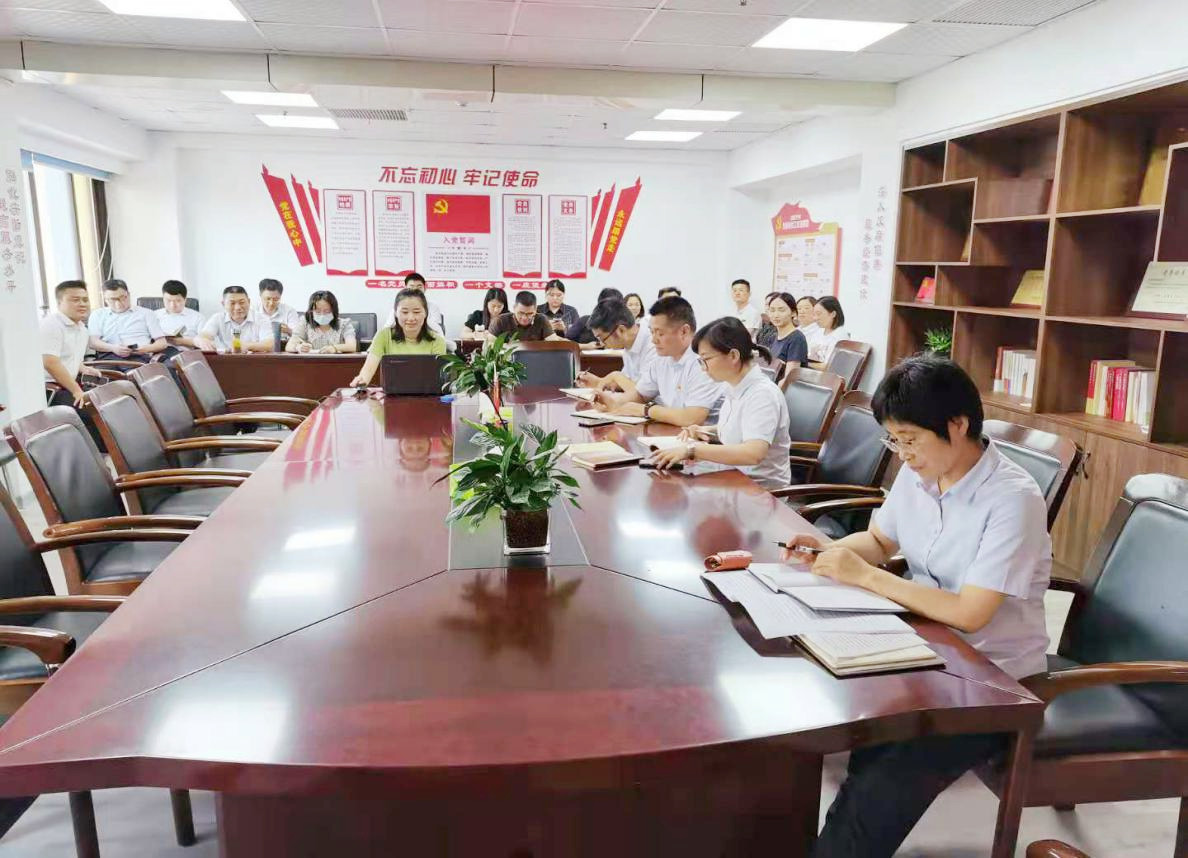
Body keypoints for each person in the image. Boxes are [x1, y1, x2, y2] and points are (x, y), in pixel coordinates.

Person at [782, 355, 1051, 858]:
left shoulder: (1013, 499)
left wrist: (867, 577)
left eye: (910, 439)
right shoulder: (919, 473)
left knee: (886, 777)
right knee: (850, 730)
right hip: (924, 646)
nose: (903, 454)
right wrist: (829, 551)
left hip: (990, 676)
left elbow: (971, 613)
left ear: (958, 424)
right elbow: (880, 541)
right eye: (893, 441)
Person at [647, 317, 791, 489]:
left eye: (706, 359)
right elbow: (743, 427)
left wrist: (692, 450)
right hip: (732, 477)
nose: (703, 368)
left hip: (759, 491)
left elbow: (753, 453)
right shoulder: (733, 385)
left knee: (677, 492)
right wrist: (708, 430)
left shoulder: (762, 394)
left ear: (733, 356)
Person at [592, 296, 723, 428]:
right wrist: (612, 402)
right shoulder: (662, 359)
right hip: (674, 432)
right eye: (652, 332)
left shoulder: (703, 359)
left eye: (660, 334)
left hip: (704, 437)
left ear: (684, 331)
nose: (653, 340)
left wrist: (646, 410)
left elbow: (692, 418)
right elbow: (640, 394)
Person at [41, 280, 107, 449]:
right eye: (75, 300)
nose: (82, 304)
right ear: (59, 302)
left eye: (85, 299)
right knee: (91, 411)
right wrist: (76, 390)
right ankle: (103, 455)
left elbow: (69, 358)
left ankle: (111, 454)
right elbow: (50, 362)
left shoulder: (82, 328)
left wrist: (84, 368)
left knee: (109, 403)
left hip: (69, 385)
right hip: (50, 390)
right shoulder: (51, 325)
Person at [350, 288, 447, 386]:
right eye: (405, 312)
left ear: (426, 313)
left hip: (426, 392)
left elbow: (438, 377)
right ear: (396, 313)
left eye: (416, 312)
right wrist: (361, 381)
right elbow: (368, 369)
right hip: (392, 393)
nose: (411, 318)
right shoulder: (384, 335)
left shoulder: (437, 340)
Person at [578, 298, 657, 395]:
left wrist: (615, 376)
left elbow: (644, 394)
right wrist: (599, 382)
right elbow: (627, 383)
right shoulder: (629, 344)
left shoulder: (654, 345)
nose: (602, 343)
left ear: (621, 330)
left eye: (602, 338)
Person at [87, 278, 169, 363]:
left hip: (139, 356)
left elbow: (162, 343)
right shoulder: (97, 314)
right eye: (112, 300)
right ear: (105, 299)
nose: (118, 303)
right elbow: (93, 343)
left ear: (128, 294)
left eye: (123, 298)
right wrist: (113, 348)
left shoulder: (147, 313)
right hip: (108, 357)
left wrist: (146, 349)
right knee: (101, 371)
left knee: (139, 370)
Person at [196, 286, 274, 353]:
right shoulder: (218, 318)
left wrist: (247, 346)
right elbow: (205, 335)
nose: (238, 307)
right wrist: (203, 340)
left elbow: (270, 344)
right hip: (225, 361)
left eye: (242, 302)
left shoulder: (261, 318)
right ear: (223, 304)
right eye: (232, 303)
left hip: (254, 361)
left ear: (249, 301)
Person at [287, 290, 357, 354]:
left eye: (327, 311)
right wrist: (298, 347)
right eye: (318, 312)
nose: (322, 315)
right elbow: (289, 346)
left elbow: (352, 346)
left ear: (334, 311)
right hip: (309, 362)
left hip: (337, 362)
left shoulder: (344, 324)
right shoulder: (305, 323)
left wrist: (335, 348)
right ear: (311, 311)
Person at [383, 272, 446, 337]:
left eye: (419, 287)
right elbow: (387, 327)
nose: (415, 290)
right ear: (405, 289)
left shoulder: (433, 307)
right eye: (411, 287)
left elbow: (437, 331)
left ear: (425, 289)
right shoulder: (399, 307)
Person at [487, 291, 559, 342]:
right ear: (514, 308)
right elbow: (489, 346)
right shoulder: (500, 321)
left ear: (535, 310)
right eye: (520, 313)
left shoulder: (541, 319)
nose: (524, 317)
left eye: (529, 313)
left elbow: (554, 343)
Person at [155, 280, 204, 349]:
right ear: (163, 299)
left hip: (184, 353)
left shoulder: (198, 317)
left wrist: (182, 342)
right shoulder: (153, 315)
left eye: (177, 301)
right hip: (158, 352)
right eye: (168, 300)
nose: (172, 305)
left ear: (185, 300)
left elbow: (205, 342)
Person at [765, 292, 809, 368]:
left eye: (781, 310)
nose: (776, 315)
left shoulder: (797, 338)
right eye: (772, 310)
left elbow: (791, 374)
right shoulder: (772, 337)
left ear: (793, 313)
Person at [807, 295, 848, 367]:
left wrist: (803, 364)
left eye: (819, 314)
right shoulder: (818, 332)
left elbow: (830, 366)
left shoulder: (840, 336)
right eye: (814, 314)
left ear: (833, 314)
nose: (815, 318)